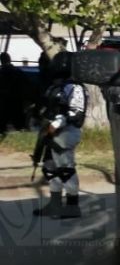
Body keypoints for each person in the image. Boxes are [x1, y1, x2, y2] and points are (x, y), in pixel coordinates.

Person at [33, 52, 86, 219]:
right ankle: (54, 204)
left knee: (66, 168)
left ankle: (72, 206)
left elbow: (75, 114)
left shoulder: (75, 88)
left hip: (66, 133)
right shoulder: (56, 86)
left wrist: (56, 124)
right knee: (50, 167)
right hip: (51, 133)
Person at [0, 52, 34, 133]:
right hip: (17, 100)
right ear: (10, 59)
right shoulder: (18, 71)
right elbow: (27, 84)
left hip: (3, 100)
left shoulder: (1, 72)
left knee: (2, 123)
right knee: (19, 123)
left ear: (1, 61)